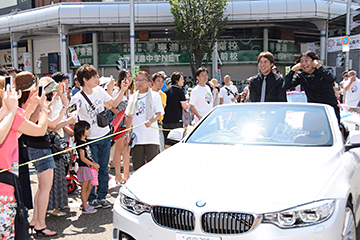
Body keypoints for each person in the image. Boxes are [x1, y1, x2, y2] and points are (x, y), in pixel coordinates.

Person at [69, 64, 128, 209]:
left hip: (105, 135)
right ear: (85, 80)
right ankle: (91, 198)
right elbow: (71, 117)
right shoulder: (77, 98)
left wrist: (123, 90)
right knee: (91, 170)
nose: (97, 79)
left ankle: (102, 196)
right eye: (94, 77)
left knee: (103, 168)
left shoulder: (99, 91)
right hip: (89, 140)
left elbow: (114, 103)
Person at [284, 51, 340, 124]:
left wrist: (319, 66)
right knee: (311, 133)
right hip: (313, 109)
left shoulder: (323, 70)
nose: (304, 64)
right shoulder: (301, 75)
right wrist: (292, 71)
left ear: (314, 61)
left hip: (329, 108)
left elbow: (331, 78)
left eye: (306, 60)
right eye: (302, 61)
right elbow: (286, 86)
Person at [125, 71, 164, 170]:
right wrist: (127, 133)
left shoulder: (155, 95)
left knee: (153, 166)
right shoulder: (133, 97)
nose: (140, 82)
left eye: (143, 80)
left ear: (148, 83)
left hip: (151, 137)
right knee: (138, 167)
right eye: (138, 80)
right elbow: (129, 116)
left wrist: (151, 121)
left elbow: (159, 113)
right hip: (137, 138)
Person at [74, 120, 100, 214]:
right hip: (84, 167)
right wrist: (93, 164)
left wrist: (93, 165)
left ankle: (84, 203)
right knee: (84, 188)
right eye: (87, 129)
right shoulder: (80, 143)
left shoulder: (86, 141)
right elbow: (82, 158)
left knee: (90, 187)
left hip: (89, 167)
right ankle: (85, 207)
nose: (89, 131)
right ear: (81, 131)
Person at [112, 69, 131, 184]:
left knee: (127, 149)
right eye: (127, 76)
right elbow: (112, 106)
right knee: (118, 149)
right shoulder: (117, 91)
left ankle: (126, 175)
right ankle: (118, 175)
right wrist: (120, 116)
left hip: (128, 124)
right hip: (120, 124)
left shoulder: (131, 92)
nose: (129, 79)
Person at [163, 72, 187, 149]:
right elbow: (184, 106)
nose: (183, 81)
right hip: (177, 120)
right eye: (182, 79)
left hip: (166, 120)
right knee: (177, 142)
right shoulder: (180, 91)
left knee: (167, 142)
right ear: (177, 80)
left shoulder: (165, 91)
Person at [151, 72, 167, 152]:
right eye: (158, 81)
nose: (160, 83)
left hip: (158, 125)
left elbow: (160, 110)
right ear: (152, 82)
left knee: (159, 150)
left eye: (162, 81)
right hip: (147, 125)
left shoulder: (163, 95)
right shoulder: (147, 94)